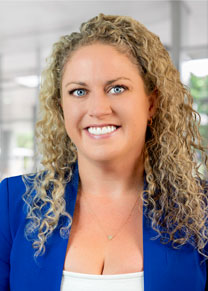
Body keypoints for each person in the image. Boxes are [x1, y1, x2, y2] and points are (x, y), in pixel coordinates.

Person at [0, 13, 208, 291]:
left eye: (117, 88)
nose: (98, 109)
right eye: (78, 92)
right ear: (61, 107)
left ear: (151, 104)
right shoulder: (13, 202)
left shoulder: (200, 209)